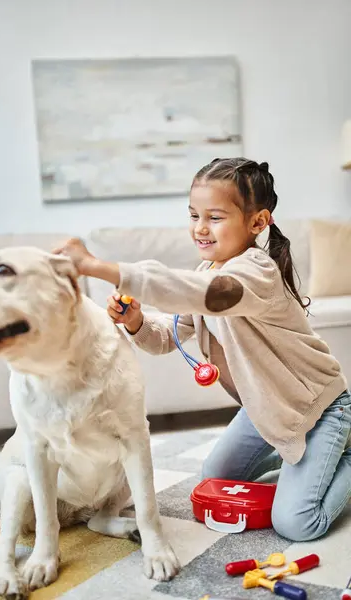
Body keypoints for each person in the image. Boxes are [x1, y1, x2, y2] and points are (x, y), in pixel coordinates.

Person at [54, 157, 351, 542]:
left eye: (214, 217)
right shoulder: (205, 274)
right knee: (215, 480)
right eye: (194, 215)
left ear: (257, 222)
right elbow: (167, 337)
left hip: (318, 408)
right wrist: (136, 322)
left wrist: (95, 265)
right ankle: (308, 458)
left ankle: (340, 451)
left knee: (297, 524)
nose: (200, 228)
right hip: (266, 411)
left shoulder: (255, 272)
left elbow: (202, 294)